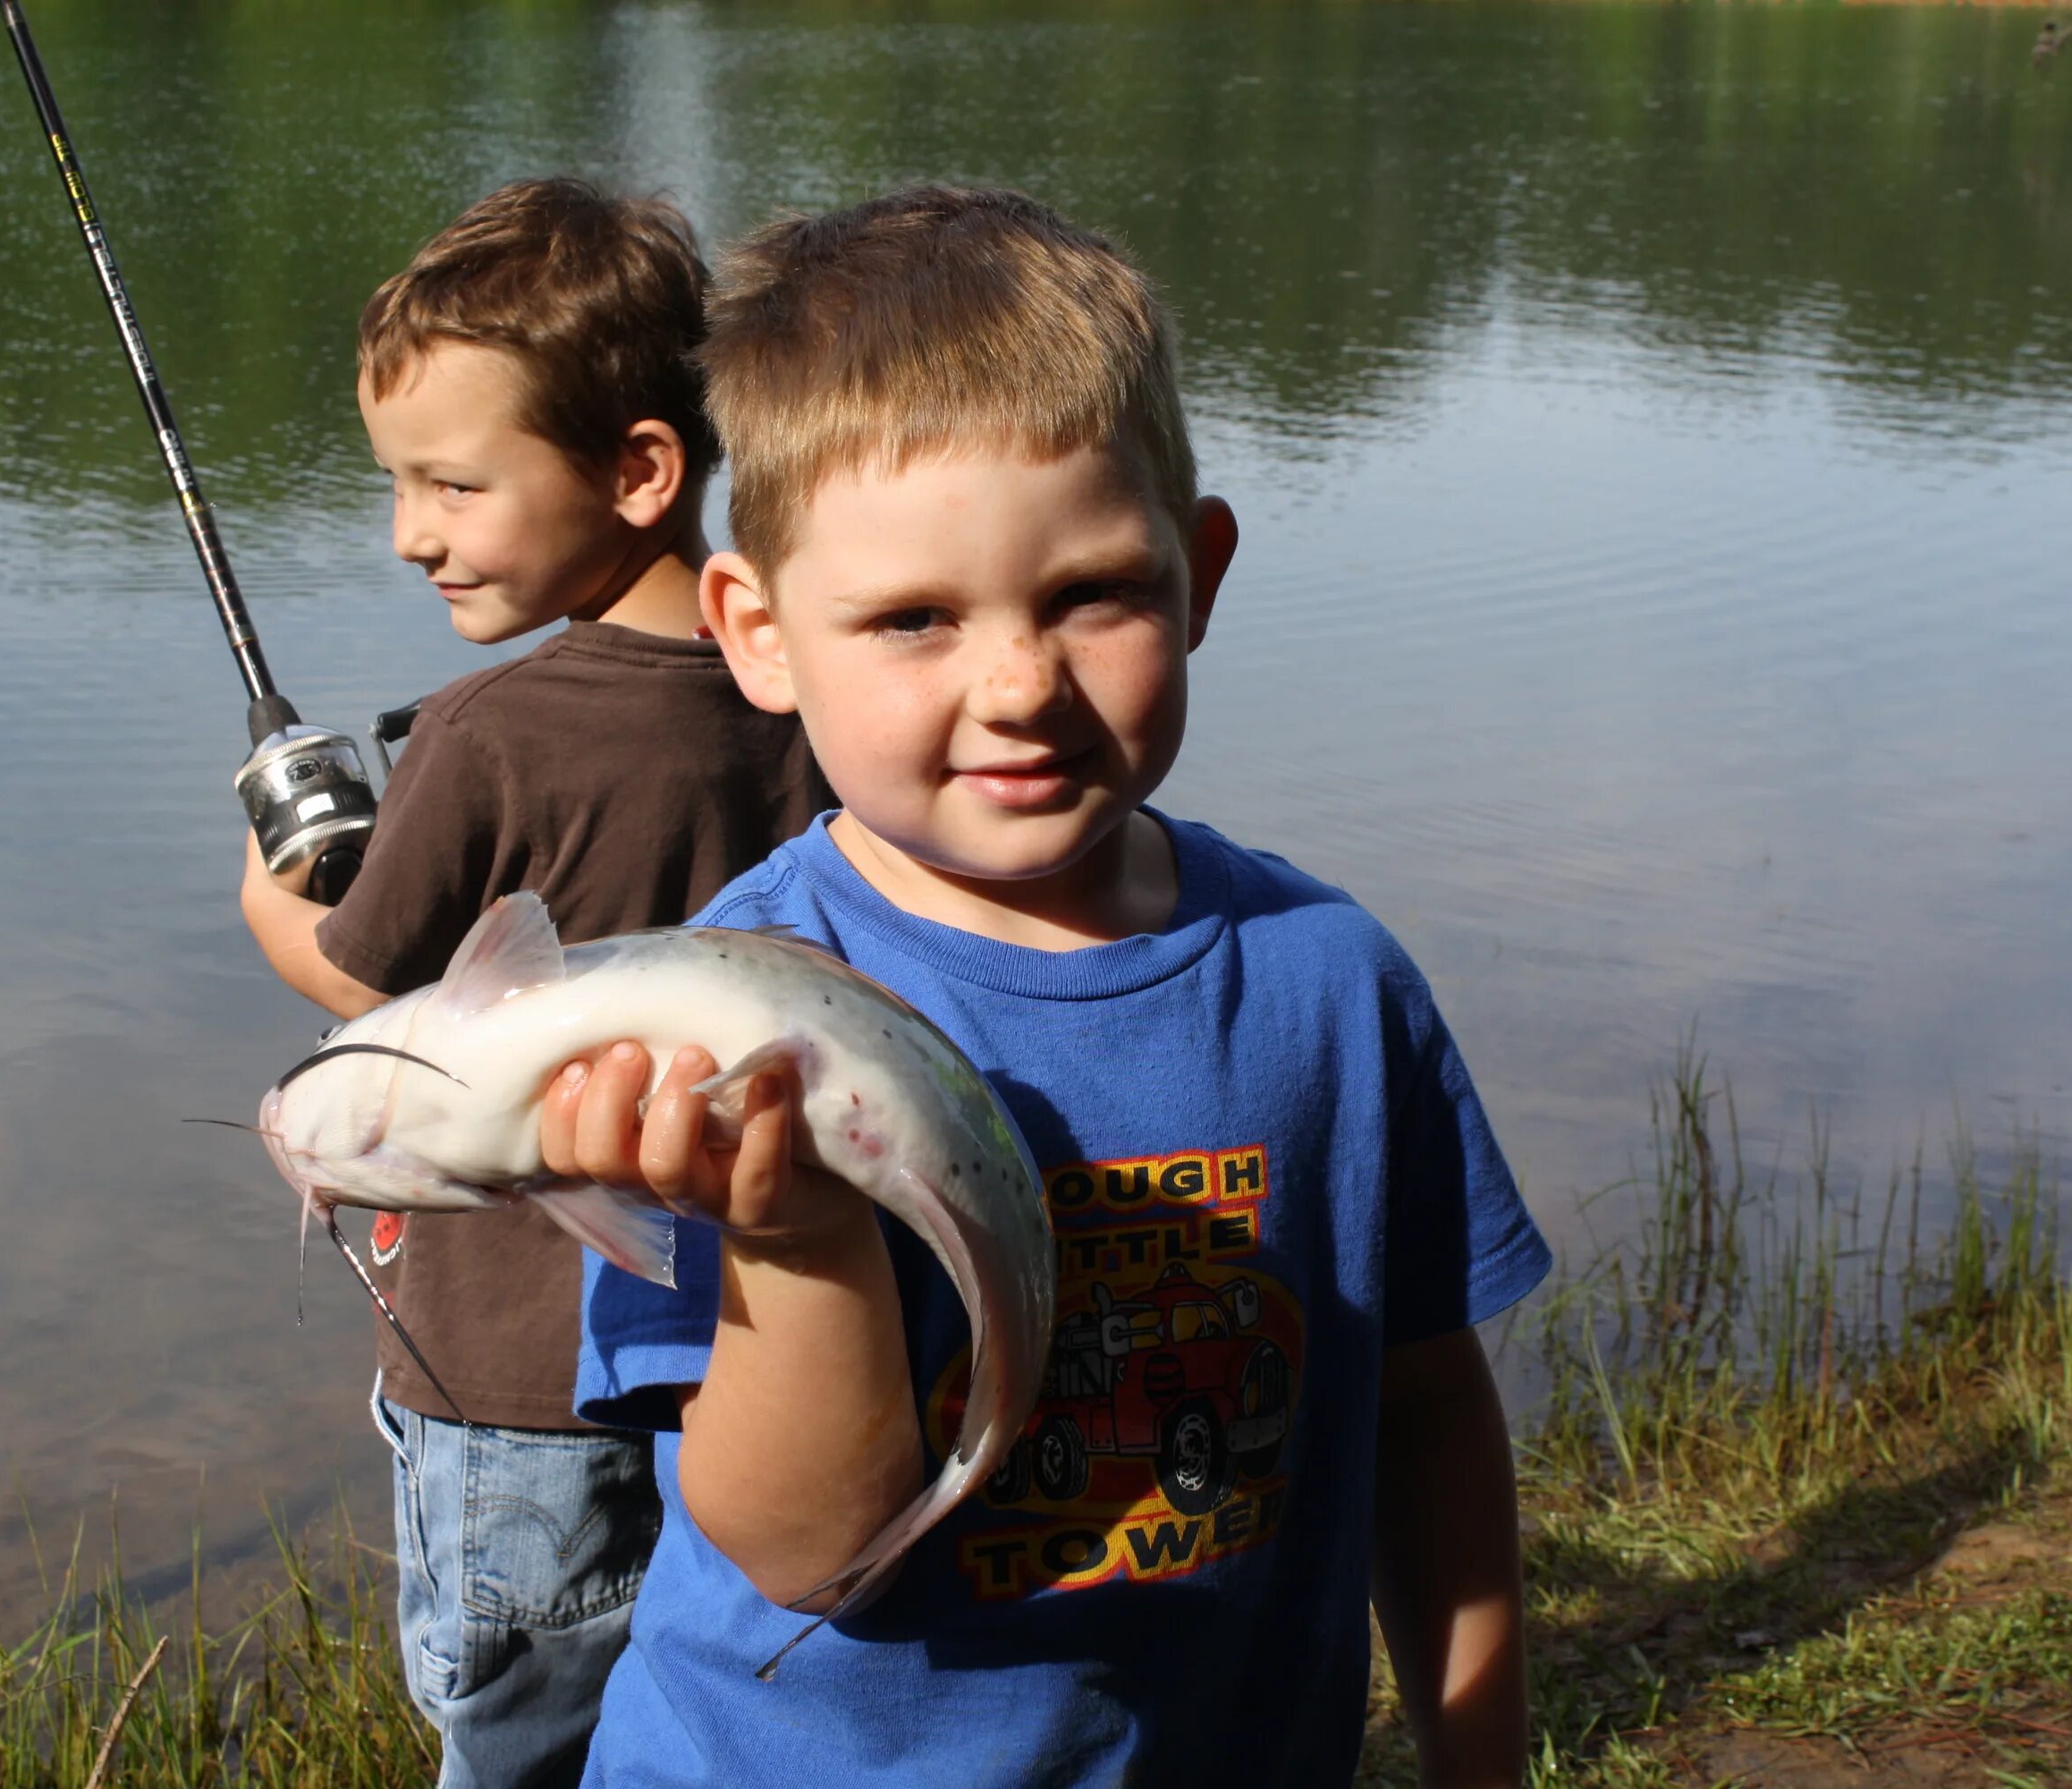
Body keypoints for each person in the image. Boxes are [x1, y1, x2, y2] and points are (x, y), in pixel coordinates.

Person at [540, 186, 1554, 1786]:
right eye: (913, 621)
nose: (1019, 685)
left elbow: (1423, 1415)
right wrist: (796, 1238)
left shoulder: (1332, 988)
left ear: (1199, 571)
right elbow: (804, 1551)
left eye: (1094, 594)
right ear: (760, 631)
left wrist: (1478, 1760)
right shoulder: (716, 1018)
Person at [235, 177, 831, 1789]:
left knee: (518, 1741)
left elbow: (366, 996)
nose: (410, 530)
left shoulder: (492, 735)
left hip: (516, 1386)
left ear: (639, 469)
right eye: (400, 485)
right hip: (763, 1347)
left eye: (450, 483)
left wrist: (273, 888)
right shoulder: (811, 693)